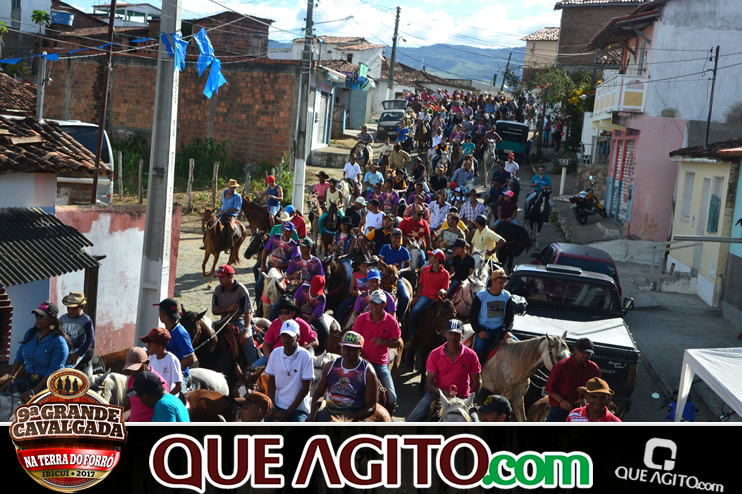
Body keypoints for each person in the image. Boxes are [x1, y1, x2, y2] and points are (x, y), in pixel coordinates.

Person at [406, 319, 481, 422]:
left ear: (463, 335)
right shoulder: (435, 354)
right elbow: (429, 383)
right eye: (450, 334)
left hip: (463, 397)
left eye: (457, 334)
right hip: (437, 394)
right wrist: (441, 392)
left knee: (476, 423)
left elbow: (478, 382)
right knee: (412, 419)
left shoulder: (471, 355)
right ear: (445, 334)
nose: (453, 337)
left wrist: (468, 399)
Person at [1, 301, 70, 401]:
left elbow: (53, 371)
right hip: (28, 380)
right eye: (36, 315)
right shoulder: (30, 334)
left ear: (52, 319)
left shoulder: (59, 342)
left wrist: (34, 392)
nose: (38, 318)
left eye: (42, 316)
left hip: (47, 385)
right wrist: (11, 378)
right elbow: (19, 357)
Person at [309, 331, 380, 421]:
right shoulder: (330, 366)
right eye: (345, 347)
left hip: (355, 417)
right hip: (329, 414)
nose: (347, 351)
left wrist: (347, 419)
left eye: (352, 348)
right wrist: (312, 414)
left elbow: (371, 407)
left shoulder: (368, 371)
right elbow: (319, 393)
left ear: (360, 350)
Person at [353, 290, 402, 413]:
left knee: (392, 397)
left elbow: (397, 342)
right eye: (372, 303)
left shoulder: (391, 321)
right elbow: (354, 341)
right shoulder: (361, 319)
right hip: (361, 361)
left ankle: (387, 418)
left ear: (384, 305)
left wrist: (383, 342)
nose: (373, 306)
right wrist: (361, 357)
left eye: (377, 303)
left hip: (380, 363)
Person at [264, 320, 314, 422]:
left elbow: (305, 388)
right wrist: (271, 406)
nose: (286, 340)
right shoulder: (275, 353)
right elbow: (271, 381)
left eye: (290, 337)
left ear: (298, 337)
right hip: (278, 404)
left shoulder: (305, 356)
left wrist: (288, 412)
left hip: (298, 409)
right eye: (283, 336)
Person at [545, 337, 602, 421]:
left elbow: (598, 391)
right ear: (575, 350)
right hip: (561, 409)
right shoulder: (561, 366)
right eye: (583, 352)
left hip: (585, 409)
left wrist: (586, 400)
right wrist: (562, 401)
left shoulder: (594, 368)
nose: (586, 355)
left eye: (588, 353)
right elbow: (550, 389)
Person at [258, 295, 319, 366]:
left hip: (296, 359)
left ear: (293, 313)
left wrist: (299, 350)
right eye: (280, 312)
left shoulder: (301, 324)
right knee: (252, 370)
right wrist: (269, 359)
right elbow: (266, 344)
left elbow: (315, 342)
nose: (282, 315)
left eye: (286, 312)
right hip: (275, 357)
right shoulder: (275, 323)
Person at [470, 268, 515, 364]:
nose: (503, 285)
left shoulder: (507, 296)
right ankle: (475, 371)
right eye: (500, 283)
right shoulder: (481, 295)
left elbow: (510, 316)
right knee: (477, 351)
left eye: (504, 283)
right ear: (493, 281)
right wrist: (479, 331)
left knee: (517, 348)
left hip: (501, 330)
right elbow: (472, 316)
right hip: (485, 330)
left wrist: (508, 330)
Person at [407, 249, 449, 343]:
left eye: (431, 256)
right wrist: (416, 297)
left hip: (437, 299)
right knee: (415, 311)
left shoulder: (445, 274)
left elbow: (445, 290)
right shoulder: (425, 270)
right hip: (425, 296)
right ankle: (410, 336)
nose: (429, 257)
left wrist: (443, 291)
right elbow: (421, 285)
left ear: (437, 259)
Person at [121, 346, 170, 422]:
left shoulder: (159, 384)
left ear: (147, 363)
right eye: (130, 370)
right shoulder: (132, 378)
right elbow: (129, 404)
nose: (133, 373)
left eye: (136, 369)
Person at [156, 298, 197, 385]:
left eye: (160, 312)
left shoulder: (180, 333)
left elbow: (190, 358)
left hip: (180, 375)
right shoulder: (167, 330)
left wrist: (171, 371)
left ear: (163, 315)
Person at [377, 228, 411, 320]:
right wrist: (387, 269)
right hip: (384, 276)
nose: (397, 240)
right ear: (391, 238)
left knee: (406, 297)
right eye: (395, 237)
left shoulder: (404, 251)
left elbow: (409, 267)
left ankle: (400, 318)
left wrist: (400, 271)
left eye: (399, 238)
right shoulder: (385, 248)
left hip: (397, 278)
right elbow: (380, 263)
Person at [140, 327, 183, 395]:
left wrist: (166, 397)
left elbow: (179, 386)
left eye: (150, 345)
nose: (147, 347)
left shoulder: (172, 360)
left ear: (159, 347)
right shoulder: (150, 358)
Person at [60, 291, 95, 371]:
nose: (71, 311)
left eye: (74, 308)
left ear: (82, 307)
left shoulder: (86, 320)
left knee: (67, 367)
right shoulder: (62, 318)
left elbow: (90, 340)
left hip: (77, 349)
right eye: (69, 308)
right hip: (64, 348)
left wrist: (78, 354)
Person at [293, 275, 330, 349]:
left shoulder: (322, 298)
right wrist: (299, 315)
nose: (315, 294)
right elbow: (297, 302)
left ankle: (320, 350)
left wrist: (306, 324)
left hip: (313, 318)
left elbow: (314, 315)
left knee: (326, 334)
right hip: (300, 313)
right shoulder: (303, 288)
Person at [398, 204, 432, 269]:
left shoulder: (424, 223)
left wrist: (428, 250)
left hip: (418, 246)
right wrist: (408, 239)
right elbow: (399, 234)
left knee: (423, 261)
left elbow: (428, 238)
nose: (420, 216)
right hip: (405, 245)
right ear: (413, 213)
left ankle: (421, 273)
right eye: (419, 214)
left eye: (422, 214)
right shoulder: (405, 221)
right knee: (400, 260)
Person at [220, 178, 243, 248]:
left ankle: (230, 244)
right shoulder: (224, 192)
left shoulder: (237, 196)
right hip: (221, 213)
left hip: (231, 215)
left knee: (231, 228)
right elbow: (222, 202)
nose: (232, 188)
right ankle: (206, 242)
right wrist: (220, 210)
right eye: (231, 187)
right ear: (228, 186)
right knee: (210, 223)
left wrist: (225, 211)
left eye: (234, 187)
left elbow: (236, 208)